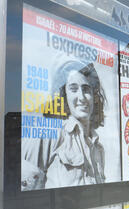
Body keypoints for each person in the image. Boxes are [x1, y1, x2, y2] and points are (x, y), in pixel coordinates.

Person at [22, 60, 107, 190]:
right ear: (64, 95)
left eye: (86, 90)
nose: (81, 97)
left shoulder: (98, 148)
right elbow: (24, 187)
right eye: (73, 89)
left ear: (94, 95)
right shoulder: (51, 133)